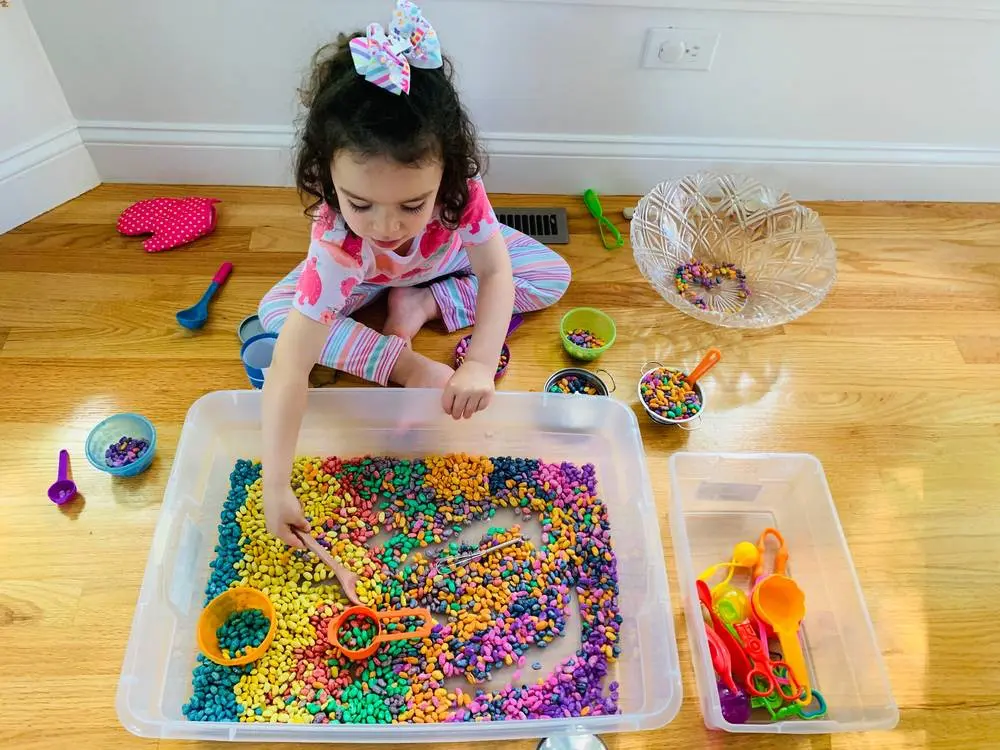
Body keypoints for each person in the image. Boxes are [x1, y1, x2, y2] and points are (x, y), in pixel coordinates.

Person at [259, 1, 571, 559]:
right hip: (358, 280)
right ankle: (400, 358)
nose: (385, 225)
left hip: (442, 264)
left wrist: (479, 361)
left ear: (446, 176)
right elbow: (289, 365)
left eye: (411, 203)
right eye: (360, 202)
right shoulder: (339, 242)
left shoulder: (462, 195)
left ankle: (425, 303)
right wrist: (275, 483)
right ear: (325, 174)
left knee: (551, 272)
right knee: (278, 317)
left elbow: (496, 269)